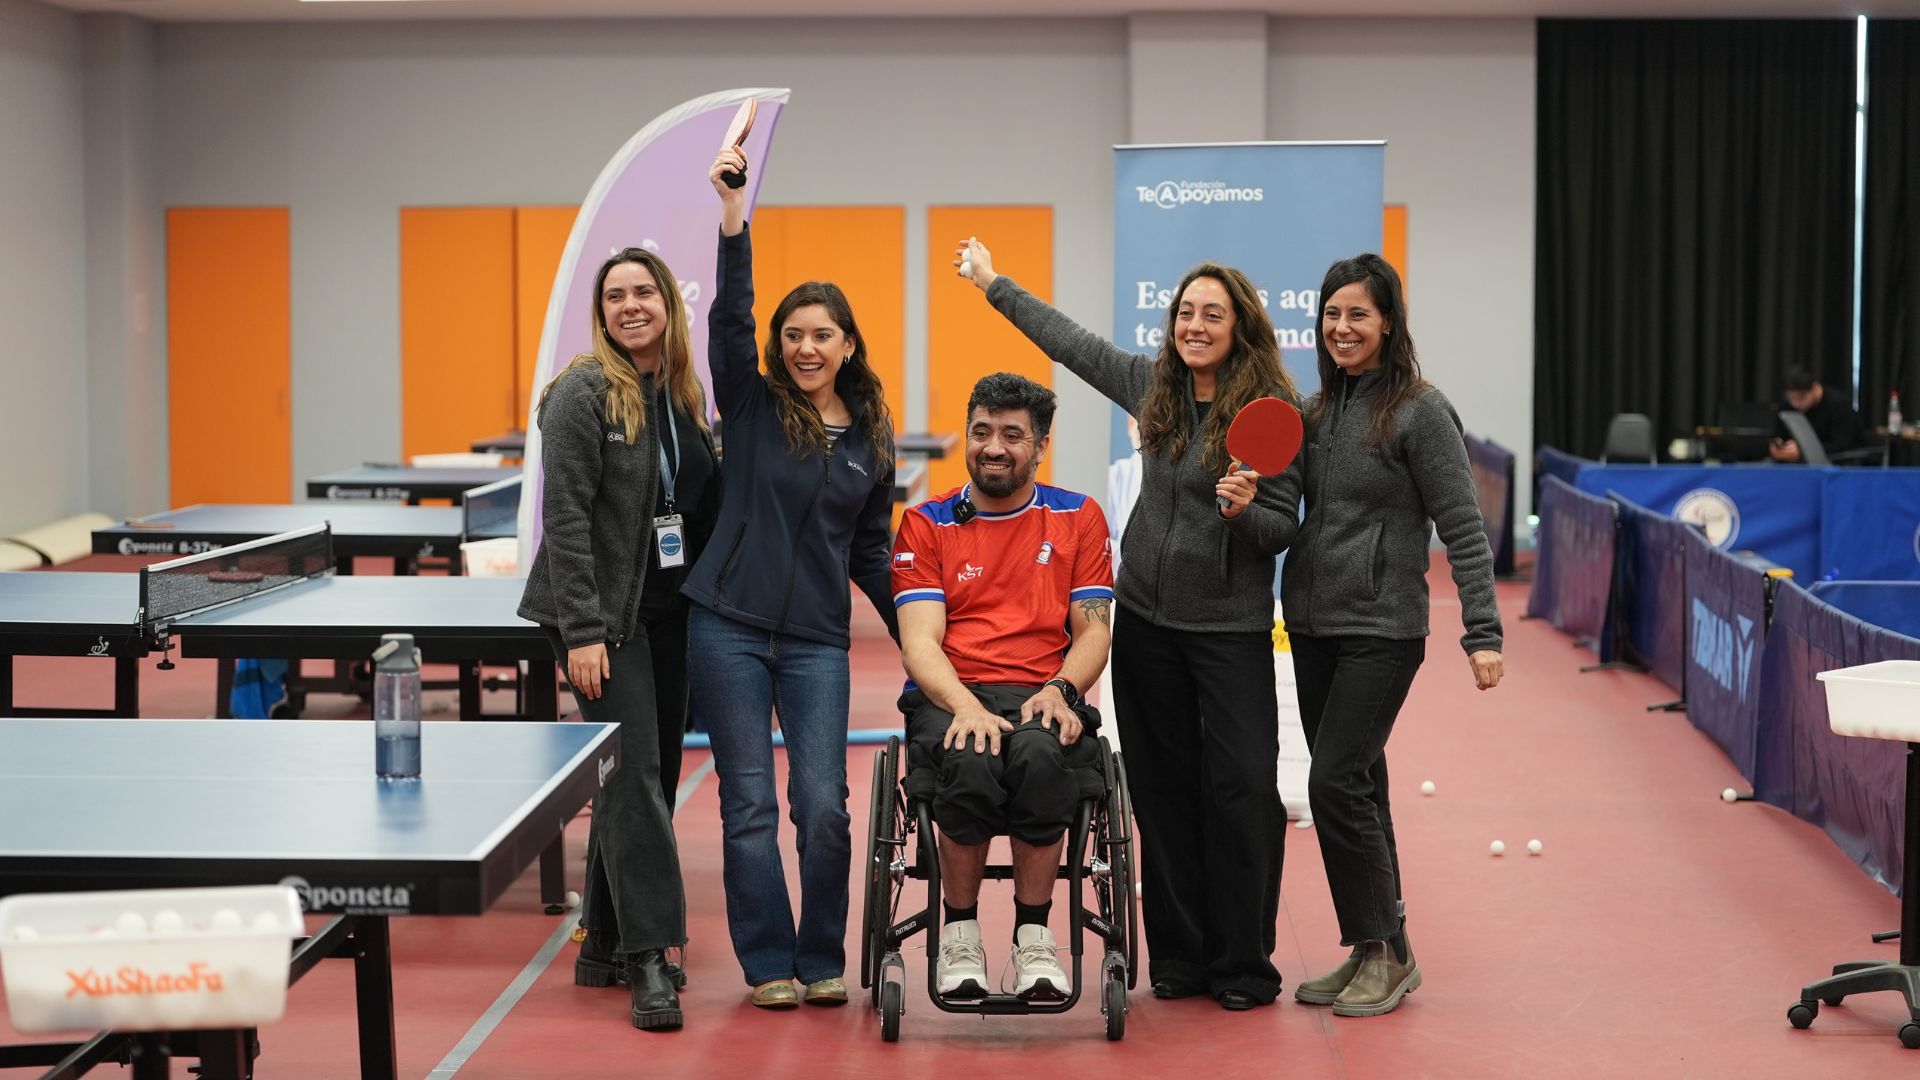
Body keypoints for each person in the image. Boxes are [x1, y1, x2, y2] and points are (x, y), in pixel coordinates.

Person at [956, 238, 1300, 1010]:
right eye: (1186, 312)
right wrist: (993, 283)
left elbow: (1283, 529)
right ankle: (1179, 959)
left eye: (1213, 314)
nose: (1195, 324)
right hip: (1144, 620)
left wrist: (1247, 516)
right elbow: (1070, 344)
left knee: (1242, 789)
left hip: (1230, 629)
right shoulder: (1156, 391)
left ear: (1240, 326)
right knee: (1163, 790)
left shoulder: (1272, 415)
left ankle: (1243, 962)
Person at [684, 145, 899, 1010]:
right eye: (794, 334)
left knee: (825, 809)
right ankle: (768, 961)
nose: (807, 347)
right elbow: (728, 323)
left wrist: (932, 632)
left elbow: (873, 554)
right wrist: (735, 220)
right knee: (747, 809)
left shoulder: (873, 440)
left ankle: (822, 957)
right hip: (726, 625)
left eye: (823, 335)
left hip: (816, 640)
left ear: (848, 344)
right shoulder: (752, 401)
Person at [1276, 253, 1503, 1017]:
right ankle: (1376, 945)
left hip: (1384, 628)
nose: (1343, 328)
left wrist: (1483, 630)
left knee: (1332, 782)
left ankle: (1386, 950)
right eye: (1332, 315)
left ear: (1388, 322)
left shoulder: (1419, 411)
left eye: (1358, 315)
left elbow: (1464, 526)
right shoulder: (1315, 412)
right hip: (1310, 625)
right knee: (1361, 784)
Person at [517, 245, 720, 1032]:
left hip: (668, 615)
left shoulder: (677, 392)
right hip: (604, 620)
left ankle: (601, 943)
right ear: (600, 312)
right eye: (615, 296)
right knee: (635, 778)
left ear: (668, 302)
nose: (630, 305)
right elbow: (563, 517)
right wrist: (583, 631)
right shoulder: (582, 391)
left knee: (649, 775)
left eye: (643, 292)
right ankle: (651, 959)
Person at [891, 372, 1113, 1001]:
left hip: (1044, 687)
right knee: (967, 755)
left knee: (1043, 758)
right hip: (953, 690)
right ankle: (959, 938)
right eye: (982, 431)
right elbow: (919, 641)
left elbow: (1093, 632)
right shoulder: (926, 523)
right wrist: (963, 703)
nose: (993, 446)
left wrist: (1064, 690)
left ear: (1040, 445)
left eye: (1012, 435)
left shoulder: (1078, 516)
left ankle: (1034, 940)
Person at [1770, 367, 1870, 462]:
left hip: (1838, 463)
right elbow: (1779, 435)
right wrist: (1778, 446)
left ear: (1815, 388)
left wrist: (1802, 451)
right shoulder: (1787, 405)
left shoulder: (1839, 405)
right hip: (1796, 464)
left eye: (1801, 398)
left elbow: (1841, 446)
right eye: (1790, 399)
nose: (1796, 404)